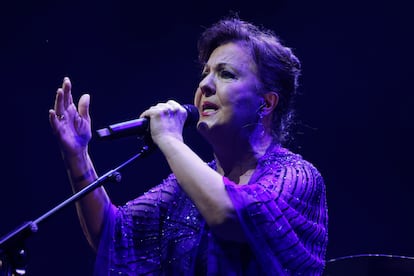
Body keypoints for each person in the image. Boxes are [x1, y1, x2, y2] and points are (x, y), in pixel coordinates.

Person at [49, 16, 328, 275]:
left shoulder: (297, 176)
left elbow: (232, 213)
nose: (205, 84)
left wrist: (169, 139)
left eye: (226, 74)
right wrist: (77, 155)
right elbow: (114, 236)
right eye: (205, 73)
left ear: (266, 103)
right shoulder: (181, 189)